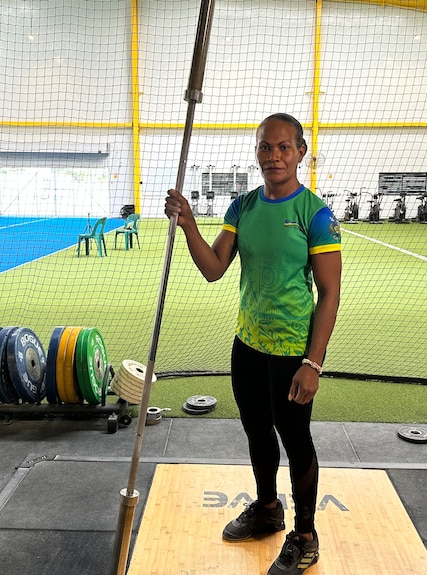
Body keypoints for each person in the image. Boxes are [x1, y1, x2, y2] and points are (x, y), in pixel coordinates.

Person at [164, 113, 342, 575]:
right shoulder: (242, 207)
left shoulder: (316, 215)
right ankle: (267, 509)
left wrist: (313, 363)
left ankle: (305, 536)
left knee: (296, 439)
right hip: (247, 346)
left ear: (301, 152)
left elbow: (330, 294)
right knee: (256, 432)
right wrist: (187, 225)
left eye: (284, 147)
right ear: (257, 152)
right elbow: (213, 268)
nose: (274, 155)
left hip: (292, 353)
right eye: (266, 146)